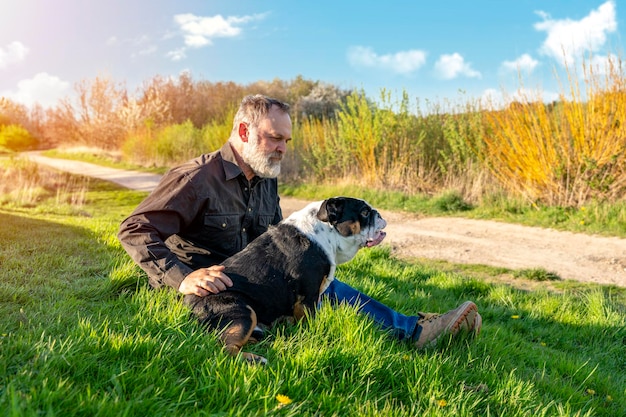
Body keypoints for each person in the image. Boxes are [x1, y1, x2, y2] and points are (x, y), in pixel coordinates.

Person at [118, 94, 482, 350]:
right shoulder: (196, 178)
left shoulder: (266, 179)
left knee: (323, 280)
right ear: (244, 133)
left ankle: (416, 329)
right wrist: (183, 279)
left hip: (260, 280)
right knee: (328, 289)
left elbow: (282, 244)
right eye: (275, 138)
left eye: (287, 141)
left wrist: (344, 246)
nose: (283, 149)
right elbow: (134, 228)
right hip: (213, 294)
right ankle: (416, 333)